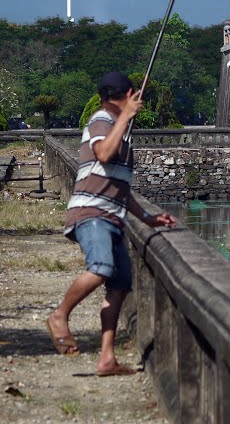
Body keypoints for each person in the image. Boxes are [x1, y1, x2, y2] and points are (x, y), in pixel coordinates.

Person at [46, 71, 176, 376]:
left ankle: (107, 358)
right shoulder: (102, 119)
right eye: (132, 99)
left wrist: (146, 217)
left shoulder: (121, 129)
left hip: (113, 215)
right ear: (126, 96)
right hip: (92, 214)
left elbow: (119, 186)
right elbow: (103, 154)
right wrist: (125, 116)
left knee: (119, 286)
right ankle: (59, 315)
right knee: (101, 268)